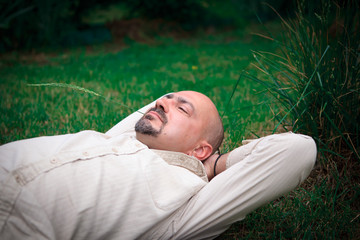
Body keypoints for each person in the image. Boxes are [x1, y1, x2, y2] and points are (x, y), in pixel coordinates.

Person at [0, 91, 317, 239]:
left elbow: (297, 150)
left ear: (200, 148)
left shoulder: (183, 212)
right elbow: (149, 112)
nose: (163, 103)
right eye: (166, 99)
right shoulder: (119, 139)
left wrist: (215, 163)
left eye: (183, 109)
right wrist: (169, 108)